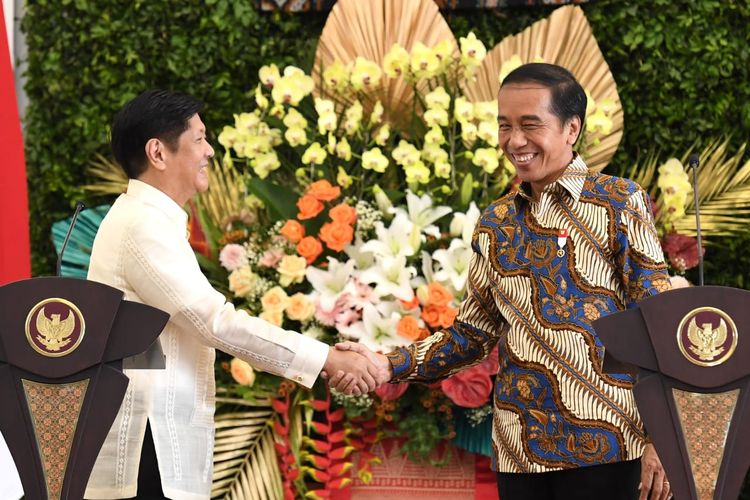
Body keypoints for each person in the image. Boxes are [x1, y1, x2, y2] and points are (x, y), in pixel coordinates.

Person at [332, 63, 673, 500]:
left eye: (531, 125)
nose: (515, 141)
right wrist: (385, 366)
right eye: (505, 126)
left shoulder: (619, 202)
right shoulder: (495, 222)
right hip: (519, 451)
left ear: (572, 128)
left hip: (610, 447)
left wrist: (663, 435)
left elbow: (661, 324)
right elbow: (471, 336)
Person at [84, 89, 383, 500]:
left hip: (150, 434)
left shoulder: (149, 219)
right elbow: (213, 322)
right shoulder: (143, 226)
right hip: (144, 440)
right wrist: (326, 358)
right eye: (199, 139)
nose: (209, 151)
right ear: (158, 152)